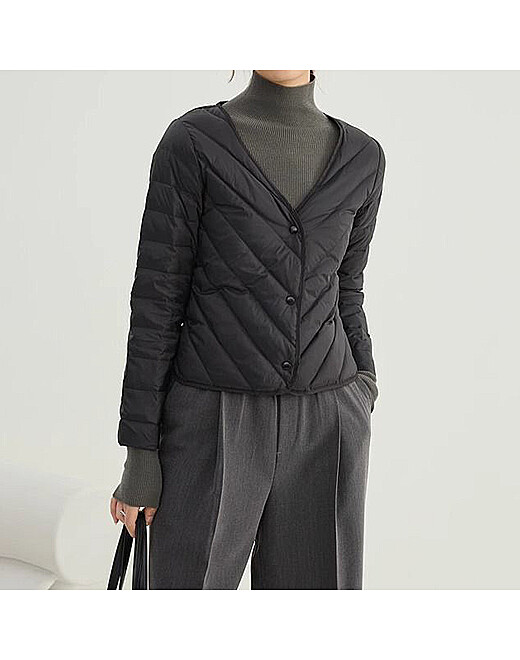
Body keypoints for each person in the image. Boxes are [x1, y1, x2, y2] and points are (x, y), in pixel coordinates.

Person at [110, 69, 385, 589]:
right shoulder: (193, 142)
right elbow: (156, 303)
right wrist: (140, 450)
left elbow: (347, 287)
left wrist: (363, 385)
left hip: (327, 421)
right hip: (211, 418)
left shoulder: (363, 158)